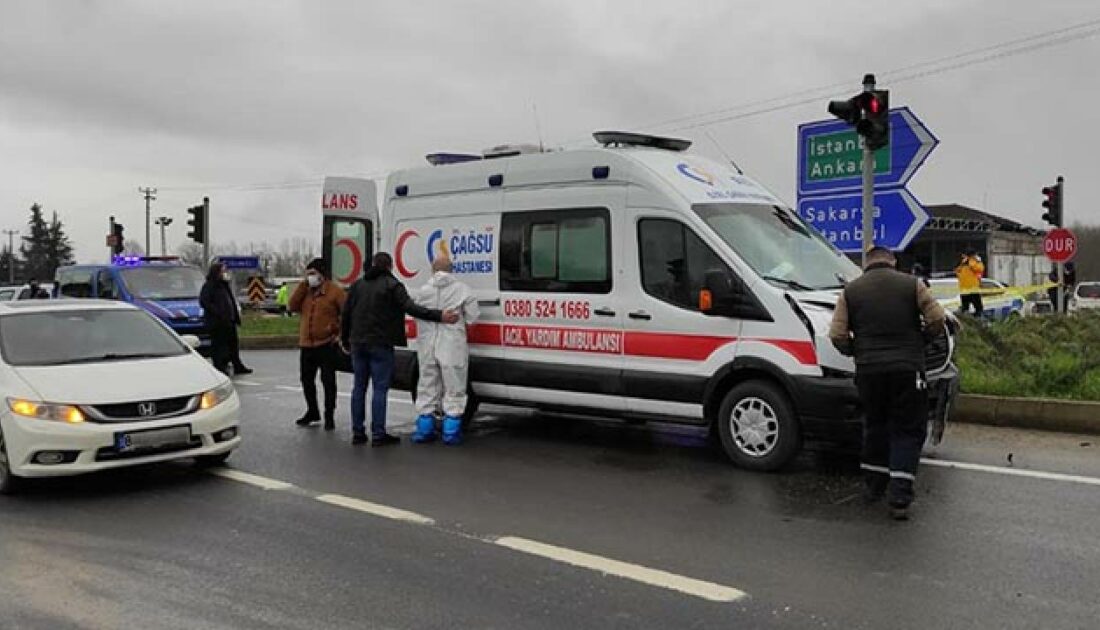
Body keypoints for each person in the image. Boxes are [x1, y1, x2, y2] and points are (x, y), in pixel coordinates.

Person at [829, 246, 947, 521]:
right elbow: (937, 318)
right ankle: (900, 498)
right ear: (892, 261)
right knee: (907, 429)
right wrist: (923, 341)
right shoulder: (912, 285)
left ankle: (873, 487)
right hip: (908, 369)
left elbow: (837, 334)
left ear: (866, 263)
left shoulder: (851, 291)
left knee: (875, 424)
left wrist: (856, 351)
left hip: (869, 371)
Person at [340, 252, 459, 446]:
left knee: (359, 387)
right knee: (380, 389)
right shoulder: (392, 285)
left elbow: (346, 313)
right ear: (390, 266)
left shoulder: (357, 285)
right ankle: (378, 434)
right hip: (381, 343)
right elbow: (411, 308)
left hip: (358, 342)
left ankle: (358, 432)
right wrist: (440, 316)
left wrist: (344, 339)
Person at [411, 257, 480, 445]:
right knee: (454, 386)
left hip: (427, 345)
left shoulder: (423, 291)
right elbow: (473, 318)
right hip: (452, 345)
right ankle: (451, 431)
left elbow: (415, 312)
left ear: (432, 270)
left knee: (426, 385)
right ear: (451, 269)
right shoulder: (463, 290)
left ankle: (424, 429)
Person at [289, 259, 346, 430]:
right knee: (306, 380)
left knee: (328, 381)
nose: (311, 277)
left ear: (322, 274)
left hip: (326, 344)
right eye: (308, 274)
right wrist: (302, 286)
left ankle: (329, 414)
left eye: (313, 273)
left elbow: (347, 314)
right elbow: (292, 306)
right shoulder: (306, 291)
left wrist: (339, 333)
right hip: (307, 344)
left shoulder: (335, 292)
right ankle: (312, 410)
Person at [200, 262, 253, 376]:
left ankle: (237, 365)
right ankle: (220, 366)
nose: (225, 273)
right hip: (217, 322)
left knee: (233, 344)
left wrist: (235, 317)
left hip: (229, 321)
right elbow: (204, 302)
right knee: (219, 346)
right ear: (217, 272)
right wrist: (218, 312)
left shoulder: (224, 285)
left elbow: (231, 302)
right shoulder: (209, 286)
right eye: (223, 271)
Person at [955, 249, 985, 317]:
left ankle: (977, 318)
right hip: (967, 288)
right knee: (968, 307)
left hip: (970, 288)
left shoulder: (972, 262)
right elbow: (957, 271)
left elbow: (979, 269)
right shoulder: (965, 262)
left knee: (976, 308)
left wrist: (971, 261)